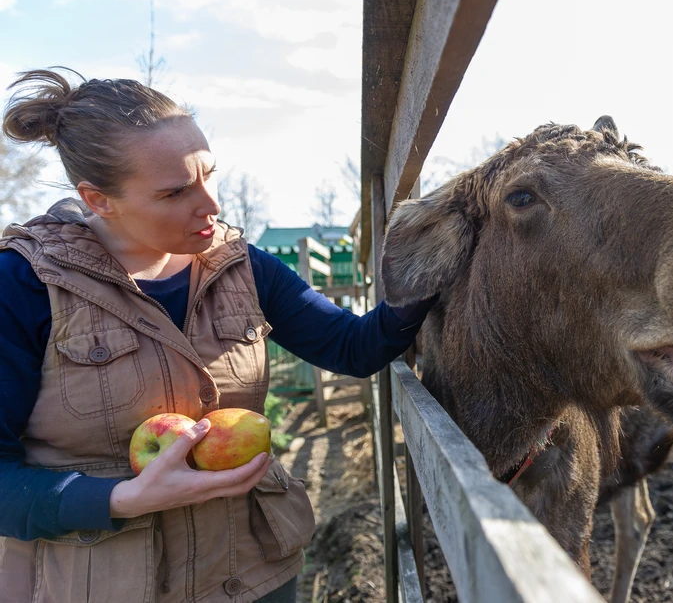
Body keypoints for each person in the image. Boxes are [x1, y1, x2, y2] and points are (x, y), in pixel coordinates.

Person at [0, 69, 433, 603]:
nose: (212, 204)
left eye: (209, 174)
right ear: (98, 200)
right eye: (176, 191)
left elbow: (353, 347)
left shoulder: (240, 266)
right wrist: (121, 498)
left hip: (250, 577)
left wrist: (437, 266)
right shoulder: (20, 286)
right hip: (96, 586)